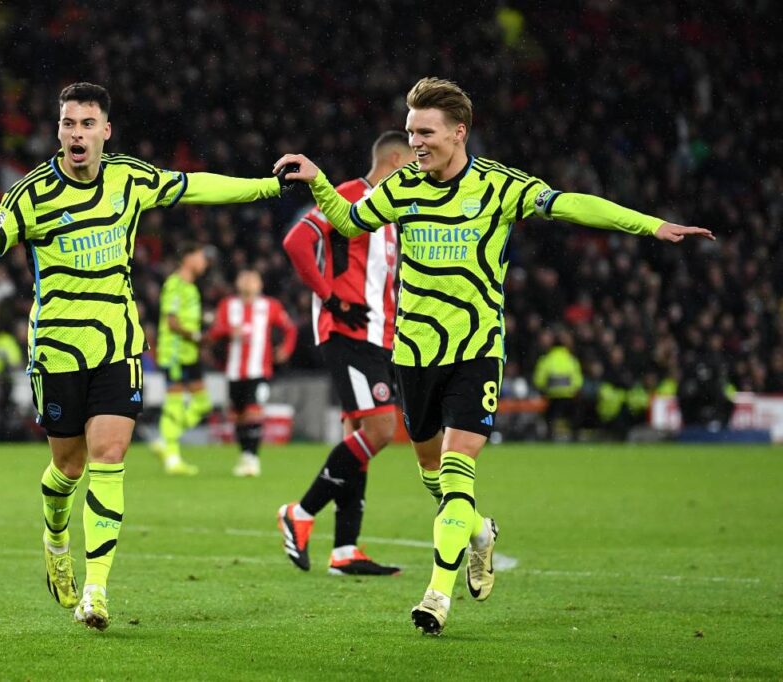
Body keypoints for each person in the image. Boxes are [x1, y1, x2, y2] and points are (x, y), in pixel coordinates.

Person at [273, 77, 714, 634]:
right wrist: (318, 183)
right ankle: (480, 532)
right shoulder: (404, 186)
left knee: (458, 474)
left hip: (476, 352)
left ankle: (436, 596)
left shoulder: (499, 186)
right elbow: (347, 222)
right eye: (411, 132)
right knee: (434, 478)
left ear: (459, 132)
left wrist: (649, 224)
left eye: (425, 132)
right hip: (413, 355)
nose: (416, 143)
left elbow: (570, 205)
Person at [0, 82, 290, 631]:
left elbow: (196, 187)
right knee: (67, 467)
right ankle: (54, 537)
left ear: (105, 131)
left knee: (110, 453)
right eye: (69, 123)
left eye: (87, 123)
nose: (77, 133)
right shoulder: (30, 196)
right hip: (56, 350)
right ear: (58, 131)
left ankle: (95, 591)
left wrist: (266, 186)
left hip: (118, 345)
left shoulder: (131, 178)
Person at [277, 131, 414, 576]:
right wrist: (330, 298)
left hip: (377, 336)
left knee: (359, 435)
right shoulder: (351, 195)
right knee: (379, 428)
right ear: (395, 159)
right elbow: (298, 241)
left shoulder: (390, 212)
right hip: (348, 332)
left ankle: (345, 549)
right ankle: (300, 512)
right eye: (413, 162)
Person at [207, 269, 297, 477]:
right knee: (238, 416)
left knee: (252, 412)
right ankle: (245, 456)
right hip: (233, 371)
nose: (248, 282)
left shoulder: (270, 306)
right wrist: (230, 331)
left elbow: (290, 329)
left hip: (259, 370)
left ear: (259, 284)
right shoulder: (227, 305)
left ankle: (252, 458)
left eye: (252, 279)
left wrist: (286, 349)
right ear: (238, 283)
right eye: (244, 278)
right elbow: (214, 332)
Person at [150, 243, 210, 475]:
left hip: (190, 353)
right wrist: (196, 336)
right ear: (187, 258)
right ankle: (172, 458)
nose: (204, 262)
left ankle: (167, 441)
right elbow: (172, 322)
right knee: (174, 403)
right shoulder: (174, 284)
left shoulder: (191, 288)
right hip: (174, 353)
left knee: (202, 403)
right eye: (200, 256)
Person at [532, 328, 583, 440]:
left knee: (550, 418)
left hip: (552, 398)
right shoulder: (571, 359)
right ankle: (575, 437)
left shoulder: (546, 360)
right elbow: (578, 382)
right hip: (568, 397)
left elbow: (538, 381)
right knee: (574, 417)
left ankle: (550, 437)